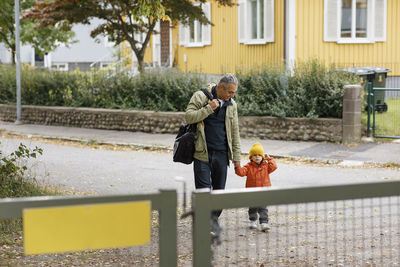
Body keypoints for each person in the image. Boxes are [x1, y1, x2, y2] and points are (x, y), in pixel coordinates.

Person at [185, 73, 241, 237]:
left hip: (222, 155)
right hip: (202, 153)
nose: (232, 95)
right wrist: (209, 108)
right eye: (230, 92)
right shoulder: (201, 96)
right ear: (221, 88)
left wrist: (236, 159)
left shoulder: (232, 105)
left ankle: (211, 219)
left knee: (219, 194)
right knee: (204, 192)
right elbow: (189, 117)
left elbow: (235, 132)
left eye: (234, 92)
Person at [235, 142, 277, 231]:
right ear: (251, 157)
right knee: (253, 208)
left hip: (263, 191)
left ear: (262, 156)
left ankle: (264, 223)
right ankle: (253, 221)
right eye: (254, 155)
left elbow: (274, 166)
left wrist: (269, 158)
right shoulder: (248, 166)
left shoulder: (266, 166)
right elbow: (241, 173)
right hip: (252, 191)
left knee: (263, 208)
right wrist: (237, 166)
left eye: (259, 155)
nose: (257, 157)